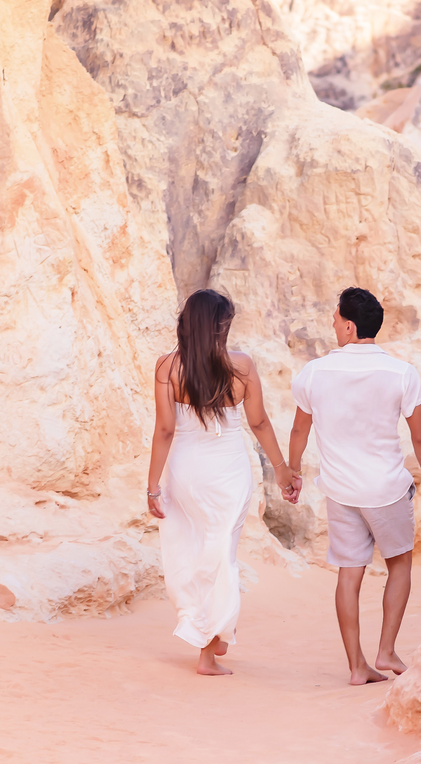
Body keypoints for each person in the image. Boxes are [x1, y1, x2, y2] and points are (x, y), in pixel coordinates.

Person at [286, 287, 421, 685]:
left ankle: (357, 666)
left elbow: (299, 429)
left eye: (337, 319)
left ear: (350, 326)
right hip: (386, 489)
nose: (333, 324)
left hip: (340, 491)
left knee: (349, 572)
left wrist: (293, 472)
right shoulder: (400, 373)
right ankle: (386, 650)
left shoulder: (315, 373)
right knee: (400, 565)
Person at [146, 289, 300, 676]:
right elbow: (260, 422)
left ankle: (212, 636)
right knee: (220, 552)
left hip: (186, 471)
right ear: (220, 326)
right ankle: (212, 640)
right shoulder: (241, 367)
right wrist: (281, 469)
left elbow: (164, 430)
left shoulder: (167, 368)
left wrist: (153, 486)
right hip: (230, 472)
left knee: (194, 548)